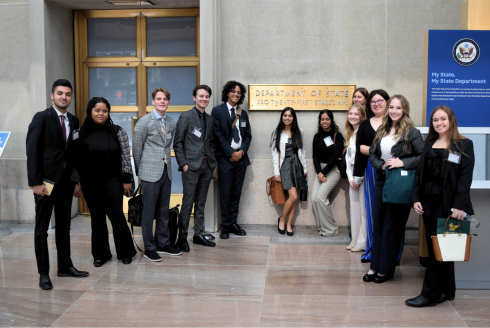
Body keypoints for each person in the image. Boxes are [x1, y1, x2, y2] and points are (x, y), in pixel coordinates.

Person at [406, 106, 474, 307]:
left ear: (451, 120)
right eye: (435, 120)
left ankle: (429, 295)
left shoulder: (464, 144)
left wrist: (459, 206)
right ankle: (447, 290)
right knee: (441, 248)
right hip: (427, 203)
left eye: (443, 119)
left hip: (449, 205)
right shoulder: (429, 143)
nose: (439, 123)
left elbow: (464, 178)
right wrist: (415, 197)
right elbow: (420, 173)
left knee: (439, 250)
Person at [26, 79, 88, 290]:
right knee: (42, 228)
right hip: (46, 183)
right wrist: (35, 183)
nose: (64, 97)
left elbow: (75, 153)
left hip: (66, 182)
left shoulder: (74, 120)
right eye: (60, 93)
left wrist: (76, 181)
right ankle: (43, 272)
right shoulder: (41, 118)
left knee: (64, 226)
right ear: (52, 96)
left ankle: (65, 265)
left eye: (68, 94)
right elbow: (32, 152)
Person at [362, 95, 424, 284]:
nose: (394, 111)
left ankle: (386, 270)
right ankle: (375, 266)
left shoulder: (411, 132)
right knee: (379, 225)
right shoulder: (382, 129)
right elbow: (372, 153)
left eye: (398, 107)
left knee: (393, 226)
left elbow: (423, 156)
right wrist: (381, 165)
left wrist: (402, 162)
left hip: (400, 183)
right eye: (392, 107)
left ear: (404, 109)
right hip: (382, 180)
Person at [74, 97, 136, 266]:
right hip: (90, 182)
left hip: (113, 181)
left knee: (116, 215)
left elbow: (125, 156)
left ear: (108, 112)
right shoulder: (79, 133)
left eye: (104, 110)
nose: (101, 114)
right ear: (90, 112)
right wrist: (76, 183)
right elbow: (76, 160)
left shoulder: (118, 131)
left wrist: (127, 179)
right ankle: (101, 255)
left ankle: (125, 252)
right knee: (97, 217)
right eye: (97, 110)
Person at [133, 88, 182, 262]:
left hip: (166, 171)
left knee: (163, 210)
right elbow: (137, 150)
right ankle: (150, 247)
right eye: (159, 99)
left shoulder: (171, 122)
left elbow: (167, 146)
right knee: (148, 211)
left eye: (165, 99)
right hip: (149, 173)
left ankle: (163, 242)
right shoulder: (144, 122)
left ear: (168, 102)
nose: (162, 102)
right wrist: (141, 173)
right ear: (153, 101)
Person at [173, 85, 218, 250]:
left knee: (201, 203)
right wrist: (183, 164)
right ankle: (182, 237)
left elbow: (210, 142)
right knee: (188, 203)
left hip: (206, 166)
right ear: (194, 97)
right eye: (201, 96)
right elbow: (177, 143)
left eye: (206, 96)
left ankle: (198, 234)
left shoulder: (210, 119)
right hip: (190, 167)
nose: (204, 99)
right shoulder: (186, 116)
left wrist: (211, 162)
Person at [211, 81, 252, 239]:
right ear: (227, 93)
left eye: (239, 92)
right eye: (233, 91)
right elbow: (217, 135)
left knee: (236, 193)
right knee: (226, 193)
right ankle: (226, 225)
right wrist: (230, 152)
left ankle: (233, 222)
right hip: (226, 159)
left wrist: (241, 151)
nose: (236, 94)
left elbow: (248, 135)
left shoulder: (243, 113)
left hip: (241, 159)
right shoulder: (217, 111)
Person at [353, 89, 390, 262]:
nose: (376, 104)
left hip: (392, 169)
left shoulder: (394, 122)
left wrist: (373, 151)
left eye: (379, 101)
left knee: (391, 210)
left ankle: (391, 252)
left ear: (387, 102)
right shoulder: (365, 124)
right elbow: (360, 148)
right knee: (372, 210)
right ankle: (372, 249)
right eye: (373, 102)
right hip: (370, 170)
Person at [270, 107, 307, 236]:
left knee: (294, 198)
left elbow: (302, 152)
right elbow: (275, 154)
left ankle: (289, 224)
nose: (287, 118)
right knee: (293, 196)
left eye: (290, 116)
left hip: (297, 165)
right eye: (285, 115)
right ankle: (282, 219)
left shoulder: (299, 131)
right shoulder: (277, 132)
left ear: (293, 118)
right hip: (285, 166)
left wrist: (305, 169)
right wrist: (276, 172)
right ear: (282, 117)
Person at [311, 109, 344, 236]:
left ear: (331, 120)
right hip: (320, 171)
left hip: (333, 170)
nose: (324, 121)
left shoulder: (337, 135)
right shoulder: (317, 136)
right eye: (322, 119)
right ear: (319, 121)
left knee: (321, 197)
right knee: (314, 198)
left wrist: (323, 173)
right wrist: (319, 172)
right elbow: (315, 157)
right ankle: (322, 228)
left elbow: (336, 157)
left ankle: (331, 229)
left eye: (327, 119)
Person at [345, 104, 367, 252]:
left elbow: (362, 158)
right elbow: (348, 160)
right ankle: (354, 240)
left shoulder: (363, 133)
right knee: (354, 208)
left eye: (356, 114)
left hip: (361, 175)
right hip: (352, 175)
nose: (352, 116)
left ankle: (362, 242)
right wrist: (350, 178)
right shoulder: (351, 133)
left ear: (362, 117)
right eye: (350, 114)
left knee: (363, 210)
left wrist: (357, 178)